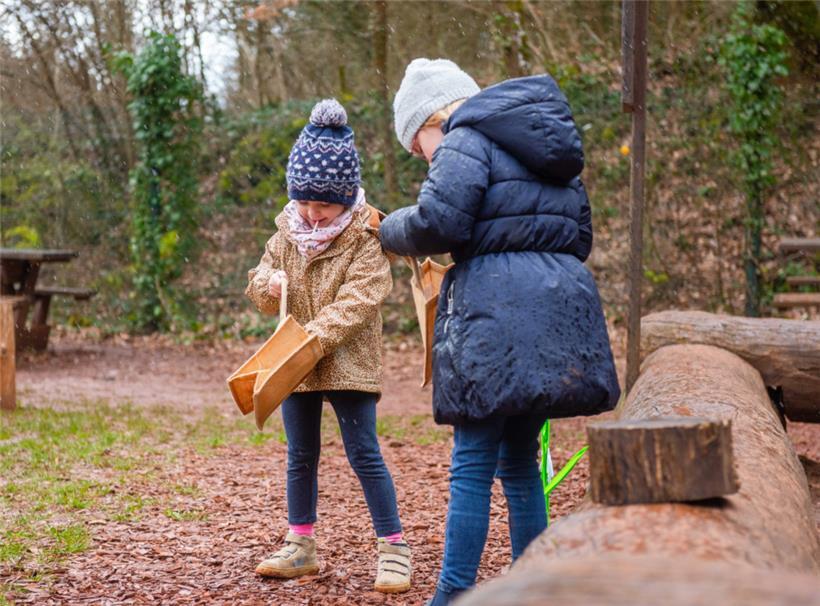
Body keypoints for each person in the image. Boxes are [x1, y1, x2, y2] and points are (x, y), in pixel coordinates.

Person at [380, 59, 620, 605]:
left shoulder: (466, 140)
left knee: (470, 464)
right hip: (554, 317)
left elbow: (439, 223)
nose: (422, 157)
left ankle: (452, 594)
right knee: (519, 466)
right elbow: (579, 237)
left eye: (417, 146)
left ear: (432, 119)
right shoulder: (545, 146)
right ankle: (533, 589)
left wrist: (388, 229)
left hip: (493, 320)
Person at [245, 98, 411, 594]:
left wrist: (311, 341)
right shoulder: (286, 232)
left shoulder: (367, 235)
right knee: (300, 454)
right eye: (304, 203)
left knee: (364, 452)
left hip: (347, 363)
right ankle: (300, 544)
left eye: (323, 205)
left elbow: (360, 300)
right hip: (292, 365)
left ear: (346, 198)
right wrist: (267, 285)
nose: (312, 215)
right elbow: (256, 283)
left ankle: (393, 547)